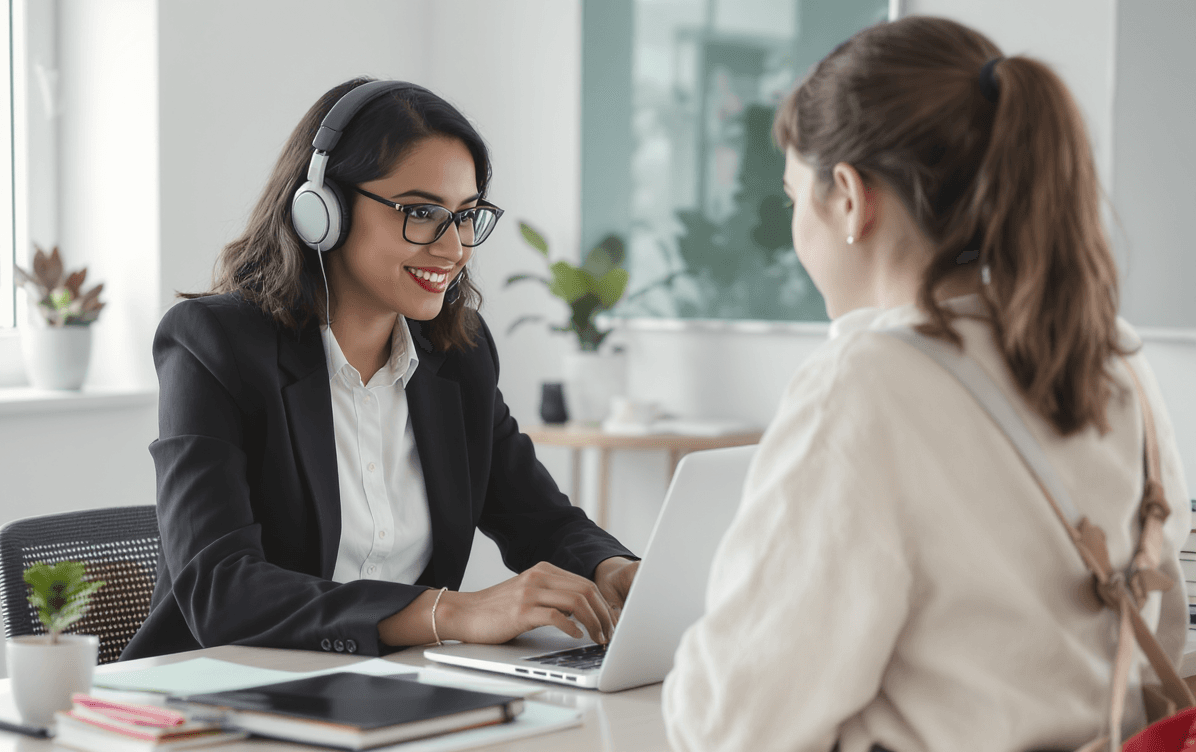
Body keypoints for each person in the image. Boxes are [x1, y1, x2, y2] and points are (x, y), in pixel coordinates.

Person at [662, 16, 1190, 752]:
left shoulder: (864, 385)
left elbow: (731, 729)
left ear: (848, 197)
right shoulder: (1115, 358)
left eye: (793, 199)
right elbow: (1158, 641)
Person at [120, 78, 640, 662]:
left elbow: (536, 515)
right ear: (323, 210)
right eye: (421, 213)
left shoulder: (458, 355)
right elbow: (221, 590)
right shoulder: (214, 345)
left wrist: (613, 567)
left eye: (467, 215)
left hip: (390, 691)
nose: (454, 249)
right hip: (220, 693)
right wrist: (451, 612)